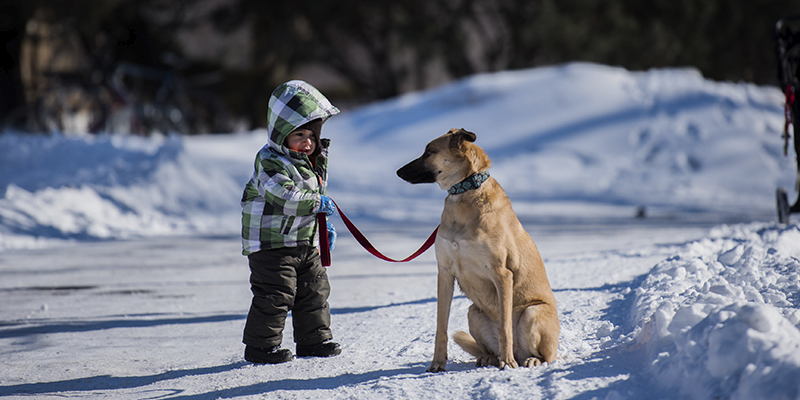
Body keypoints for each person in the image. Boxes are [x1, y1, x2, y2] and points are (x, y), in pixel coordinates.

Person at [241, 80, 340, 364]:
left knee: (314, 289)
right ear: (281, 133)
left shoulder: (311, 161)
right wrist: (316, 203)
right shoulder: (269, 161)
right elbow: (284, 197)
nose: (307, 142)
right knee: (276, 294)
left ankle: (314, 339)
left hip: (303, 241)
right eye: (299, 134)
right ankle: (261, 347)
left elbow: (312, 199)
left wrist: (322, 225)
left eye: (311, 135)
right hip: (271, 243)